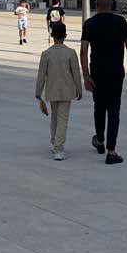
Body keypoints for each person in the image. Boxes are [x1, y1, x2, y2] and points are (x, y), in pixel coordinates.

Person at [80, 0, 127, 165]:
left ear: (96, 5)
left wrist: (86, 75)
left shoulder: (89, 24)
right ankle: (111, 152)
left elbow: (83, 51)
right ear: (111, 4)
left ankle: (99, 140)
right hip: (115, 73)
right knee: (114, 111)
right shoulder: (121, 22)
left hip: (97, 73)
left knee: (99, 108)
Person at [35, 20, 81, 160]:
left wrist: (38, 94)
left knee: (54, 118)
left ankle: (54, 142)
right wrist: (79, 89)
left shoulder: (46, 54)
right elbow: (76, 73)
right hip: (67, 91)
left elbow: (41, 75)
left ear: (52, 36)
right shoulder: (71, 53)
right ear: (65, 36)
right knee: (62, 119)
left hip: (52, 90)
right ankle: (58, 148)